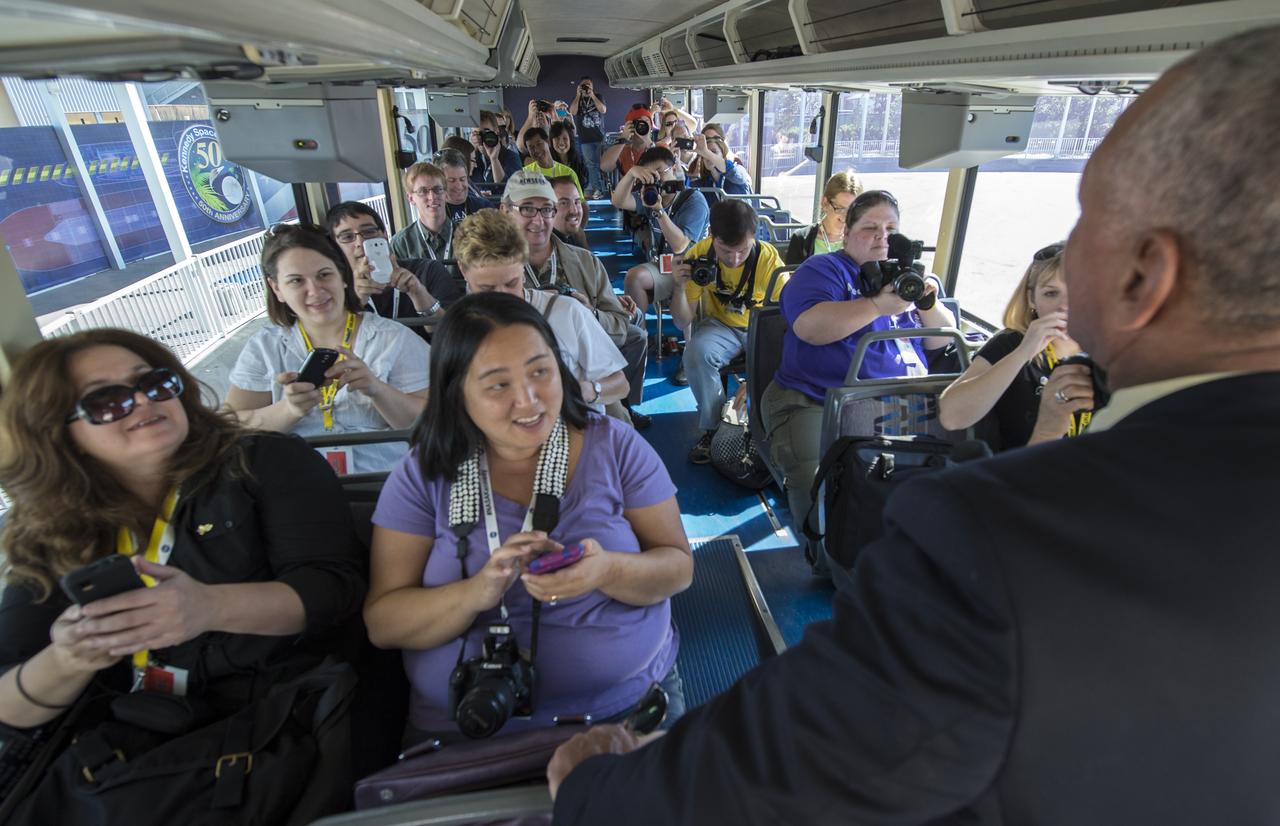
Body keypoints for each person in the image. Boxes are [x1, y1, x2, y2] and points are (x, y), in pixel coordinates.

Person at [547, 24, 1280, 825]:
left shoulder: (1007, 540)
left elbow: (782, 775)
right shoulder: (818, 276)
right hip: (811, 399)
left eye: (1085, 225)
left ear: (1144, 276)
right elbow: (813, 334)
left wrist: (596, 789)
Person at [0, 329, 366, 823]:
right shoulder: (53, 530)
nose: (142, 402)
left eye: (154, 383)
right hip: (122, 744)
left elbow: (332, 591)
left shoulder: (263, 462)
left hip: (275, 720)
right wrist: (70, 659)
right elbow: (11, 704)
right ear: (58, 431)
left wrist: (208, 608)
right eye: (106, 402)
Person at [364, 291, 692, 743]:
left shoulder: (616, 447)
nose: (529, 400)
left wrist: (606, 570)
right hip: (467, 733)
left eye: (541, 371)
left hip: (623, 714)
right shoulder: (422, 475)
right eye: (498, 384)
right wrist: (474, 593)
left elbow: (677, 568)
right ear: (456, 392)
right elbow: (384, 622)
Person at [762, 189, 955, 569]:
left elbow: (943, 340)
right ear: (846, 233)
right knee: (816, 477)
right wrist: (877, 306)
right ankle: (826, 558)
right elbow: (810, 327)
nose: (882, 236)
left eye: (890, 228)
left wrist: (926, 303)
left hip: (900, 404)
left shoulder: (905, 279)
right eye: (870, 227)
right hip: (816, 401)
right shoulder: (822, 271)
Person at [225, 224, 429, 475]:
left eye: (324, 275)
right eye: (297, 281)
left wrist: (377, 389)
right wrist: (289, 410)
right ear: (277, 288)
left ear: (343, 276)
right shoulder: (265, 348)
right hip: (294, 487)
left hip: (385, 484)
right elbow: (230, 428)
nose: (315, 291)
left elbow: (428, 425)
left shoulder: (392, 339)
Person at [452, 208, 630, 417]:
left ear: (522, 265)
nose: (502, 300)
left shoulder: (568, 312)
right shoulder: (458, 331)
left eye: (511, 284)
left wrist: (585, 390)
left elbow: (620, 385)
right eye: (487, 289)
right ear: (463, 270)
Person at [509, 171, 651, 428]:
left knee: (619, 424)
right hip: (518, 375)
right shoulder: (494, 269)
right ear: (506, 211)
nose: (539, 221)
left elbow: (620, 325)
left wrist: (590, 315)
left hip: (582, 370)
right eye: (527, 210)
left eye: (547, 210)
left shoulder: (587, 263)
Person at [939, 243, 1095, 450]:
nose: (1064, 305)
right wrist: (1023, 353)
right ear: (1032, 299)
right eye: (1051, 293)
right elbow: (952, 417)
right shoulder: (1012, 343)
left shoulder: (1110, 351)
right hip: (1021, 473)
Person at [670, 200, 784, 463]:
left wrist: (755, 376)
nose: (734, 259)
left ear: (754, 238)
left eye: (742, 251)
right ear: (712, 235)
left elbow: (783, 317)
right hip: (720, 327)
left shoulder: (767, 259)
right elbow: (681, 321)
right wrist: (677, 287)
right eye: (725, 251)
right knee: (695, 353)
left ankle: (768, 426)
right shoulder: (699, 255)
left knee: (785, 356)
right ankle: (714, 427)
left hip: (761, 327)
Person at [324, 200, 462, 328]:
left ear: (385, 235)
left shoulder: (428, 270)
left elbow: (454, 336)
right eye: (347, 237)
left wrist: (419, 294)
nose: (360, 243)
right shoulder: (331, 292)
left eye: (369, 231)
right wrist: (356, 304)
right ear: (334, 246)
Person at [615, 146, 711, 321]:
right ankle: (638, 335)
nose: (656, 180)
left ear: (674, 169)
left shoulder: (694, 200)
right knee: (633, 278)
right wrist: (631, 174)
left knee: (686, 321)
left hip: (692, 270)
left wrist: (659, 211)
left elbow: (680, 245)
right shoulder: (649, 196)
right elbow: (618, 200)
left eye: (660, 173)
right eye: (651, 176)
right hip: (665, 267)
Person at [785, 170, 862, 265]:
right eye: (840, 209)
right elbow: (794, 278)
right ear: (825, 203)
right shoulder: (801, 240)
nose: (846, 217)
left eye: (852, 211)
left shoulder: (861, 241)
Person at [389, 162, 454, 264]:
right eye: (423, 191)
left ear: (446, 194)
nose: (432, 197)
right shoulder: (401, 243)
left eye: (438, 189)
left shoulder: (468, 234)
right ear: (410, 198)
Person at [570, 76, 608, 199]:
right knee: (591, 164)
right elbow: (573, 112)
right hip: (585, 138)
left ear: (592, 87)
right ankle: (597, 189)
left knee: (601, 165)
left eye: (588, 85)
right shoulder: (578, 99)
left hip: (599, 136)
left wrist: (592, 95)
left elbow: (603, 110)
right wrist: (577, 95)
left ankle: (600, 187)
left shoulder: (598, 96)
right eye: (584, 85)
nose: (586, 87)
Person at [522, 126, 585, 200]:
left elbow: (580, 202)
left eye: (539, 144)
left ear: (548, 142)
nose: (536, 150)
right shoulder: (524, 173)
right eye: (531, 147)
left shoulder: (568, 173)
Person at [435, 147, 494, 224]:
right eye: (451, 180)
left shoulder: (484, 207)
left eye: (462, 179)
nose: (459, 186)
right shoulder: (434, 213)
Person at [601, 105, 656, 178]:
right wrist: (623, 138)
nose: (642, 126)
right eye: (638, 123)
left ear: (651, 126)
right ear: (630, 127)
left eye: (645, 122)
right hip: (629, 189)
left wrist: (648, 141)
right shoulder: (623, 150)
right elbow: (605, 167)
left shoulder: (661, 147)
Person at [469, 110, 523, 186]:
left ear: (496, 131)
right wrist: (470, 151)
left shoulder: (511, 157)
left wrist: (494, 160)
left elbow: (509, 190)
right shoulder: (472, 159)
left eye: (486, 132)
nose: (480, 137)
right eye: (476, 133)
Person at [551, 175, 591, 251]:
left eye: (577, 202)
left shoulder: (577, 235)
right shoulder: (544, 250)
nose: (574, 210)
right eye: (564, 203)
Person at [550, 121, 590, 195]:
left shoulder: (579, 161)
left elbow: (583, 184)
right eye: (557, 138)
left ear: (570, 141)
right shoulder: (548, 164)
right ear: (551, 141)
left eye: (565, 138)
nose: (561, 142)